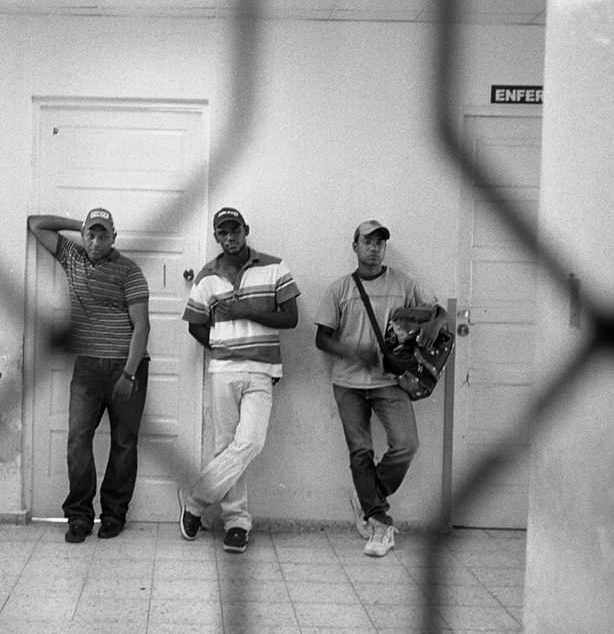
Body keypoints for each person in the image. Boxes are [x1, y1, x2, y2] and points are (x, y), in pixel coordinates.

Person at [314, 219, 447, 557]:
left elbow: (441, 312)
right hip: (348, 383)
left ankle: (368, 500)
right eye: (367, 241)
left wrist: (434, 322)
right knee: (360, 452)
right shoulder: (339, 289)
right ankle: (381, 525)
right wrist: (354, 351)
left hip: (390, 381)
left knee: (406, 444)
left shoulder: (404, 283)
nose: (374, 247)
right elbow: (321, 338)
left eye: (379, 242)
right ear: (355, 246)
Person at [178, 207, 300, 554]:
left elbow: (290, 317)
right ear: (216, 236)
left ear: (246, 230)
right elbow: (195, 324)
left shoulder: (274, 267)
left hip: (262, 370)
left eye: (236, 230)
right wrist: (222, 345)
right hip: (224, 370)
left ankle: (196, 501)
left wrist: (246, 311)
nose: (230, 237)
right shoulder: (206, 276)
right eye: (223, 232)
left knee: (250, 442)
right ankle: (236, 523)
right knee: (226, 446)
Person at [27, 208, 150, 543]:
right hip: (87, 368)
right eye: (91, 234)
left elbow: (142, 325)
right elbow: (35, 224)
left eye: (103, 234)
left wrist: (128, 373)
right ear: (84, 235)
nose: (96, 241)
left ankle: (113, 515)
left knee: (124, 443)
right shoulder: (72, 257)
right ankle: (79, 516)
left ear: (114, 237)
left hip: (125, 366)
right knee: (78, 440)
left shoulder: (129, 271)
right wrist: (75, 225)